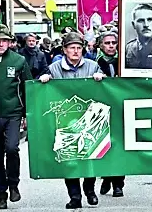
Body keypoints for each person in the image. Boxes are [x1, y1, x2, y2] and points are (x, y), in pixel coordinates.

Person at [38, 32, 107, 209]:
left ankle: (90, 190)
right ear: (64, 50)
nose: (76, 51)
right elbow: (41, 88)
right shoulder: (54, 68)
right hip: (65, 122)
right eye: (72, 48)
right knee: (69, 160)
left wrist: (101, 78)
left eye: (79, 48)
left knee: (89, 156)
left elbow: (107, 87)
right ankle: (75, 196)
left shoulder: (92, 66)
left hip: (89, 120)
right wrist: (44, 80)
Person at [0, 25, 33, 210]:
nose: (1, 44)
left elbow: (28, 87)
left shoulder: (19, 60)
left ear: (10, 42)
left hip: (13, 113)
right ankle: (0, 194)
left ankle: (13, 184)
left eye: (4, 40)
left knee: (11, 148)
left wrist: (27, 113)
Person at [95, 29, 127, 197]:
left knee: (121, 145)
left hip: (122, 106)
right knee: (105, 145)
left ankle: (118, 183)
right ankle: (107, 177)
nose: (111, 46)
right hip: (104, 108)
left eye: (113, 43)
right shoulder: (95, 62)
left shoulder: (124, 60)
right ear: (101, 45)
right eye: (107, 43)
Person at [124, 3, 152, 69]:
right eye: (141, 21)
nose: (146, 25)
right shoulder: (128, 48)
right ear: (133, 24)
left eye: (149, 20)